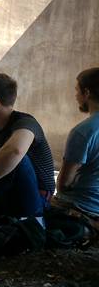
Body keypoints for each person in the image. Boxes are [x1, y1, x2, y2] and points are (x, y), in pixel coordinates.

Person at [0, 73, 54, 219]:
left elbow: (15, 151)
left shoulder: (26, 123)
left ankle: (36, 222)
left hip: (36, 199)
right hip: (5, 195)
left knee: (15, 158)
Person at [54, 68, 99, 218]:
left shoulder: (83, 132)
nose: (76, 96)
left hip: (80, 207)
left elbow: (64, 184)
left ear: (87, 93)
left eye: (77, 91)